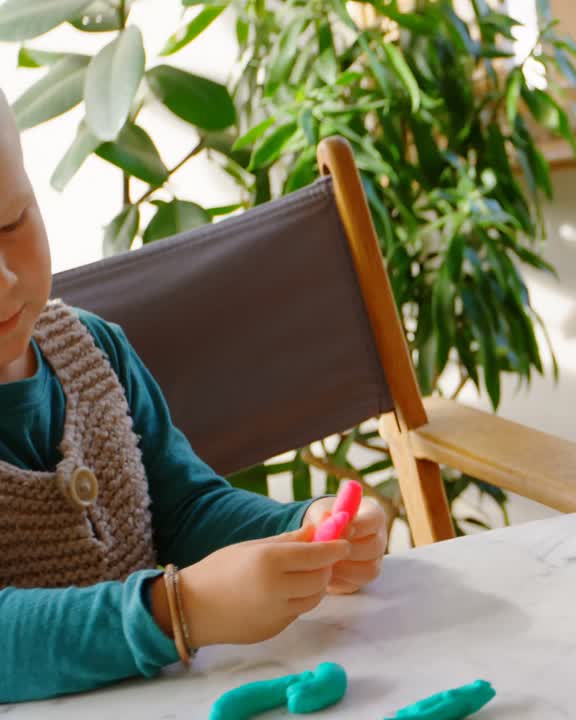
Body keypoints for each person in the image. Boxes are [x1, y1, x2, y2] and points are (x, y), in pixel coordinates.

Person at [0, 90, 389, 703]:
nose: (4, 279)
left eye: (10, 222)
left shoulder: (95, 351)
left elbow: (185, 509)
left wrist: (301, 530)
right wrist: (180, 610)